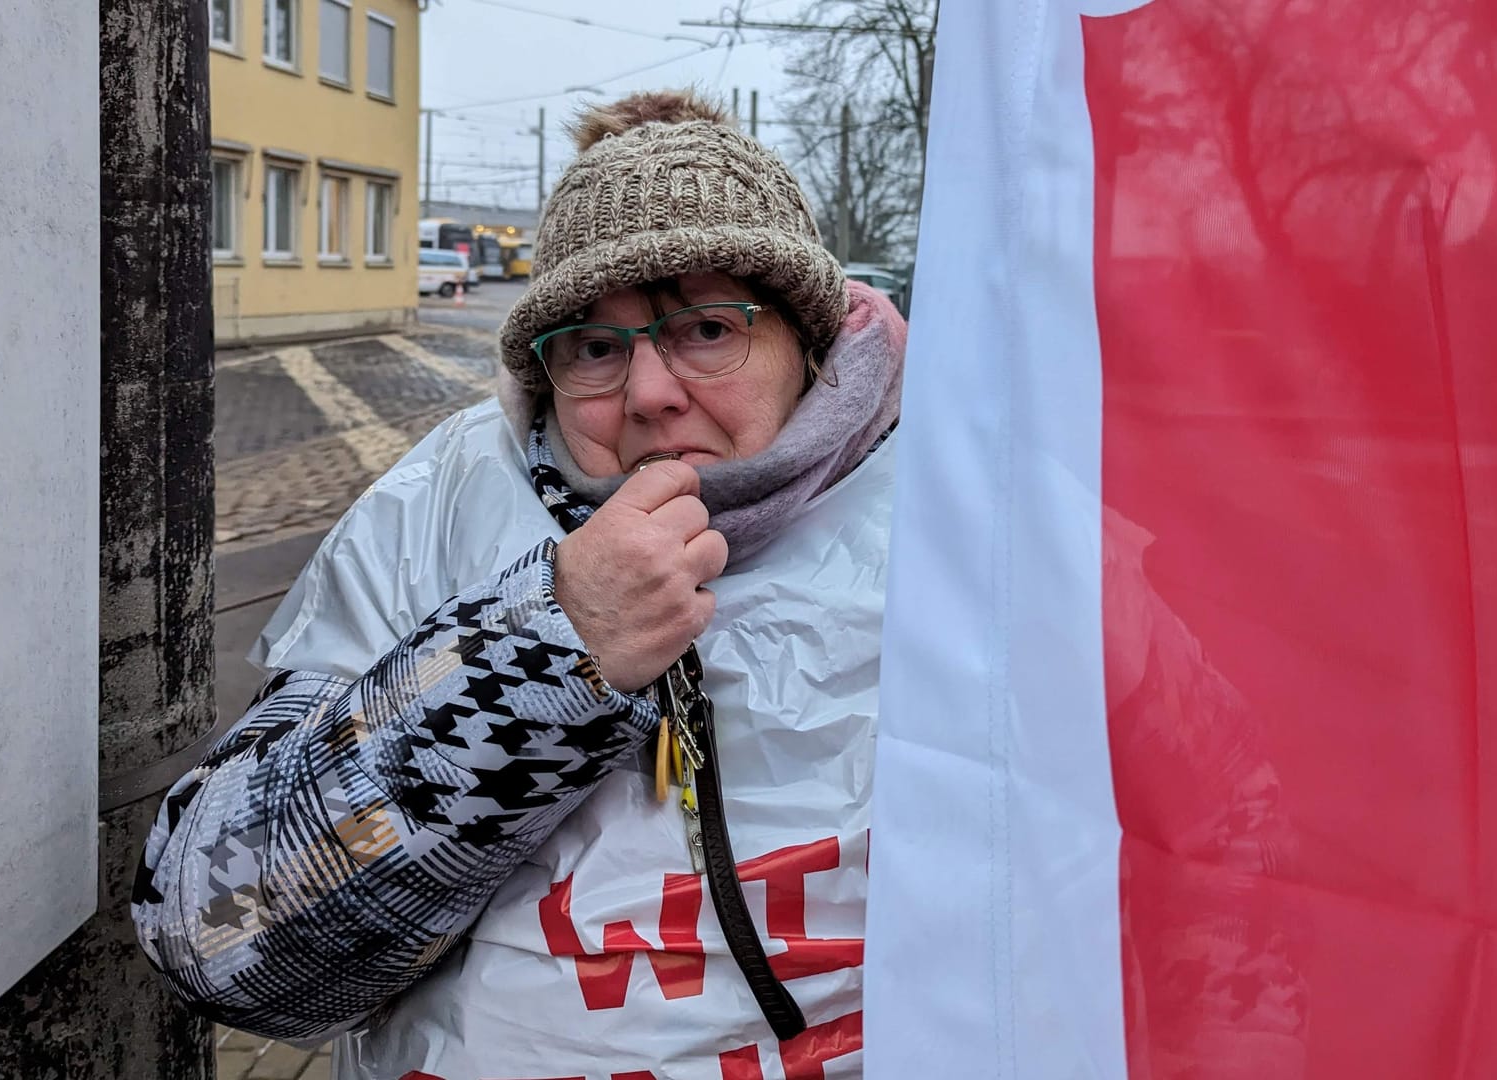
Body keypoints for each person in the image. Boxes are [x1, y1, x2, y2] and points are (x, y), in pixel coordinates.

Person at [134, 88, 1298, 1078]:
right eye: (592, 345)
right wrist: (546, 656)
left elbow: (1225, 872)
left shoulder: (982, 518)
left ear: (808, 343)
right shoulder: (441, 509)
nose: (645, 394)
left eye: (704, 328)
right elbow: (221, 938)